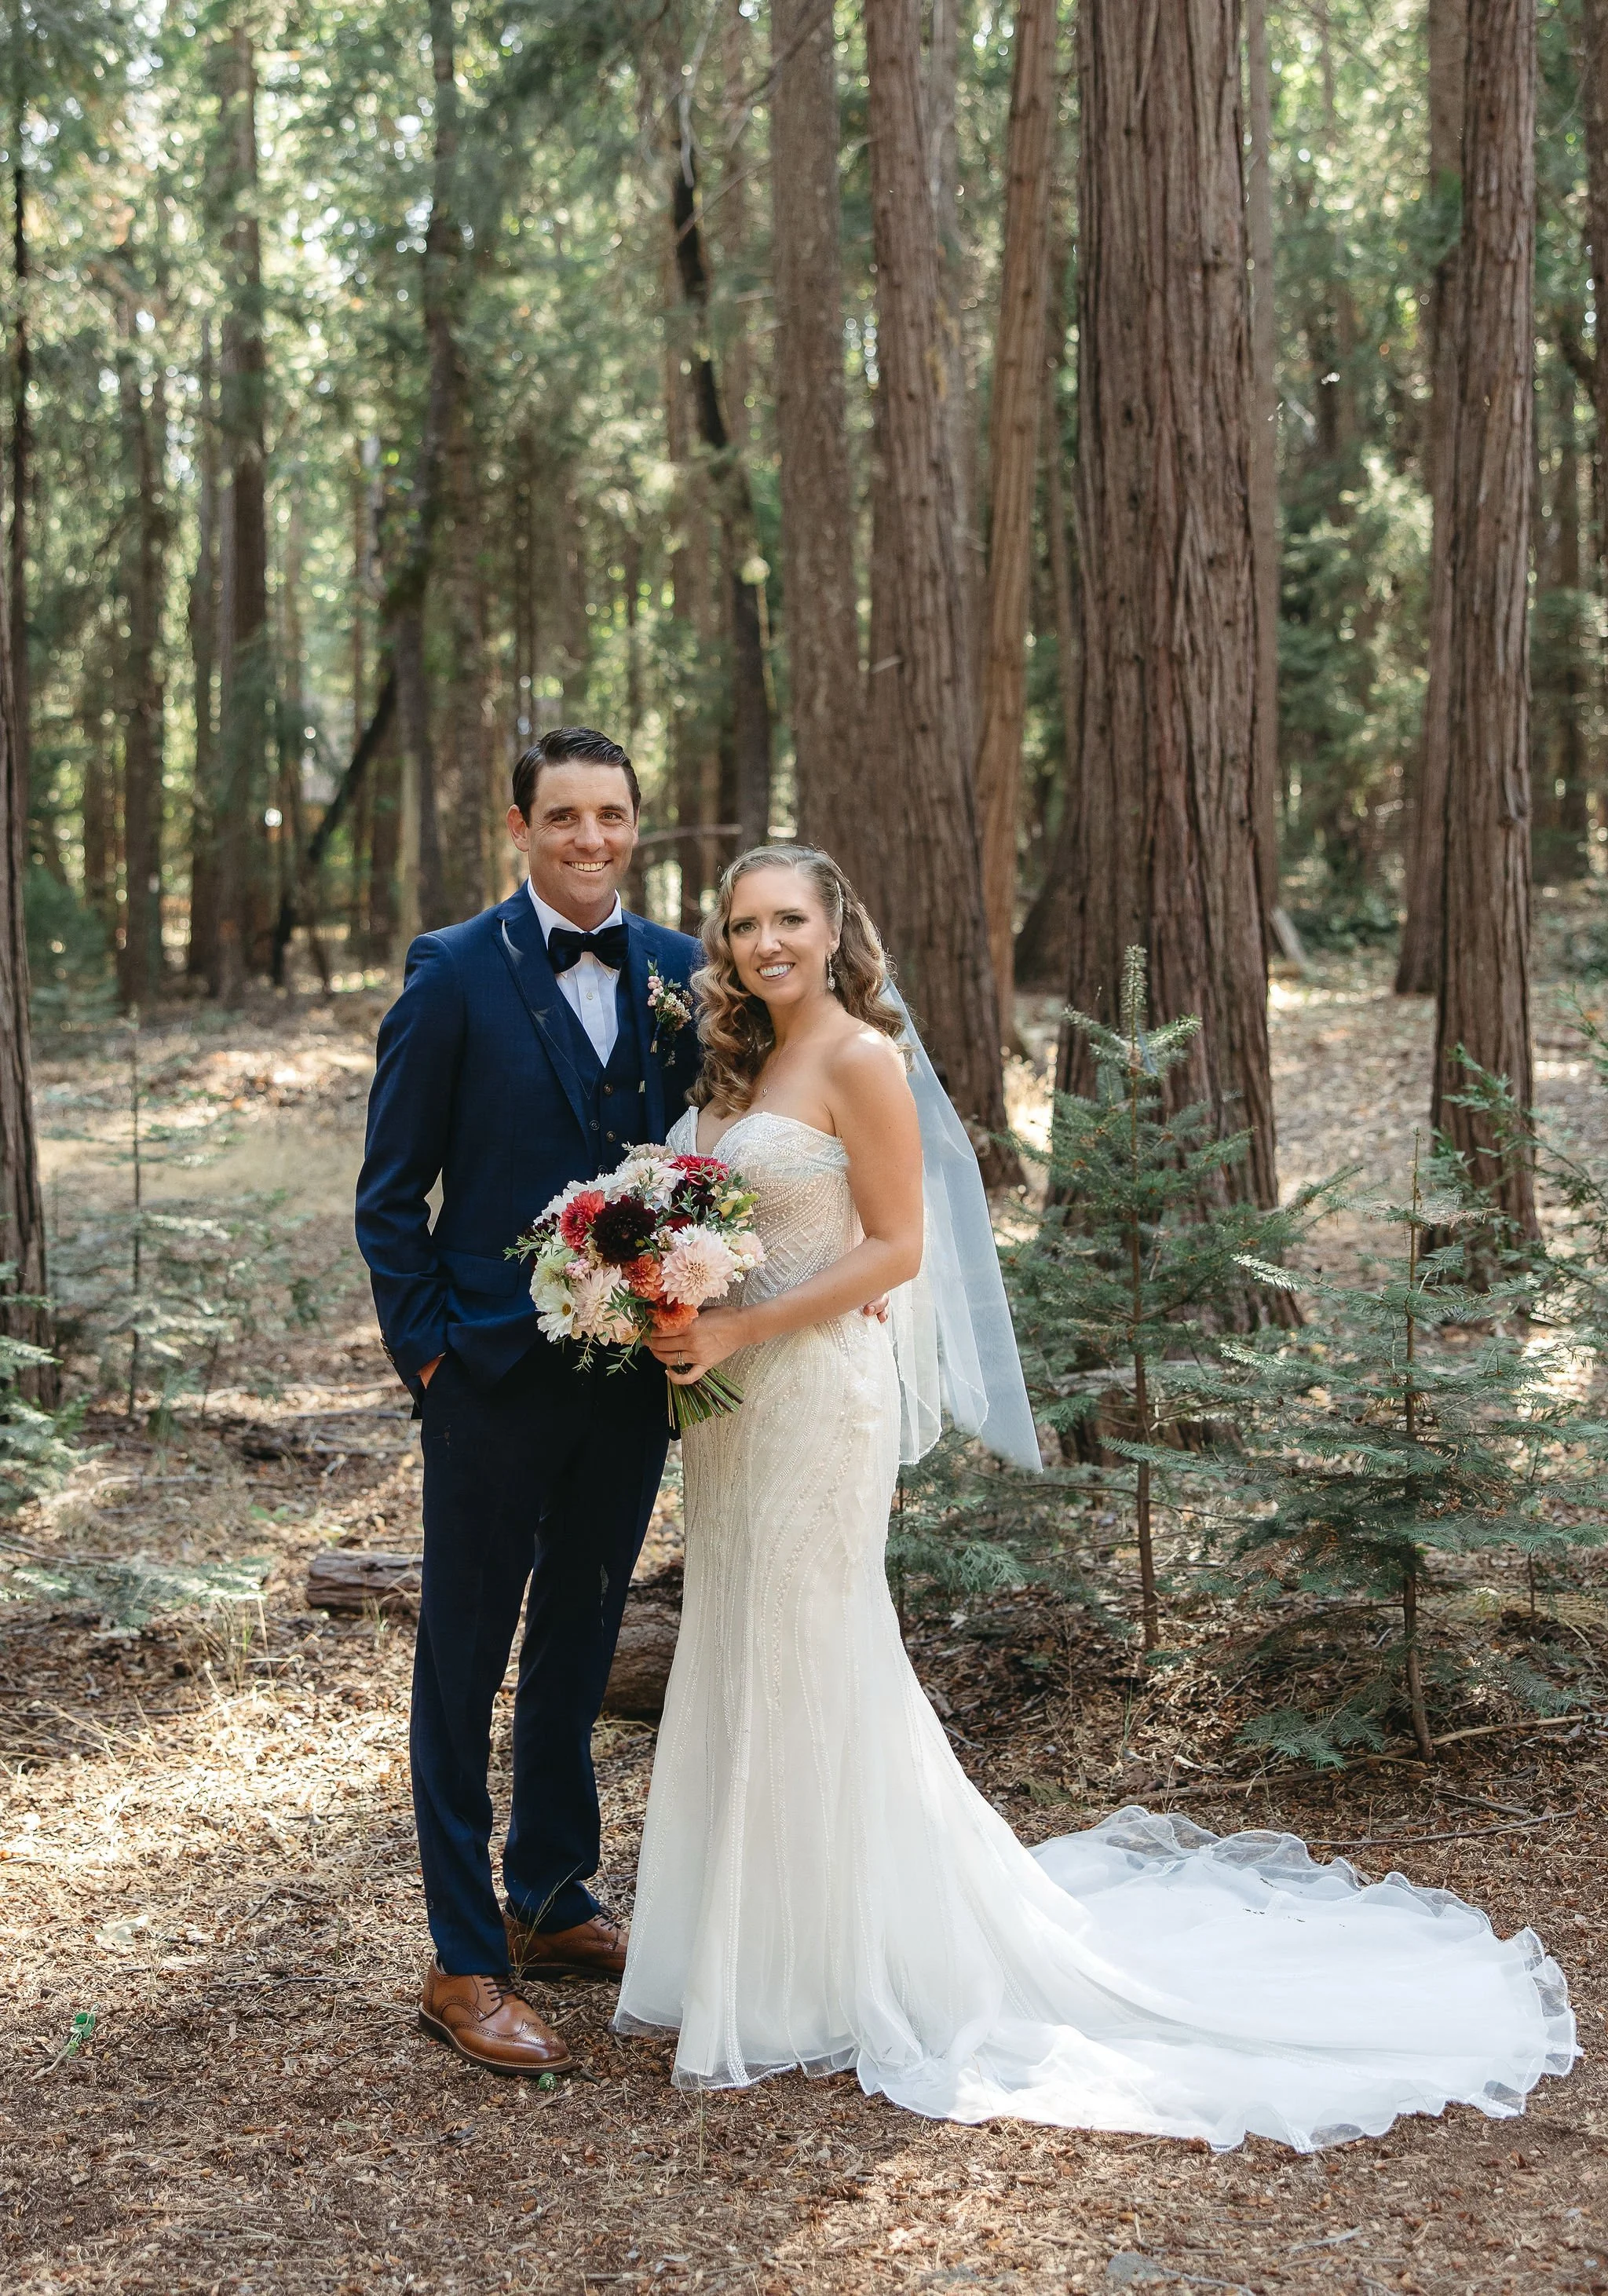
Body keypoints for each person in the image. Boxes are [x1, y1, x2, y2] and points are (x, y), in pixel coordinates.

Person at [618, 842, 1577, 2150]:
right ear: (722, 945)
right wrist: (675, 1311)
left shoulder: (860, 1060)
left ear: (838, 926)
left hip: (814, 1396)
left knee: (813, 1648)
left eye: (790, 918)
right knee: (741, 1645)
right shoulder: (732, 1068)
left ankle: (828, 1970)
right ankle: (749, 1950)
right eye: (743, 926)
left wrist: (743, 1329)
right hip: (728, 1412)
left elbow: (899, 1247)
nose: (766, 942)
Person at [355, 726, 703, 2076]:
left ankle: (554, 1894)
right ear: (520, 828)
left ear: (634, 825)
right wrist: (431, 1356)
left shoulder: (679, 970)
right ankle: (460, 1959)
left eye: (611, 816)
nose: (589, 839)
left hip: (628, 1382)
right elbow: (393, 1192)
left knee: (579, 1636)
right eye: (563, 816)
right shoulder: (452, 973)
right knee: (461, 1662)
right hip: (488, 1377)